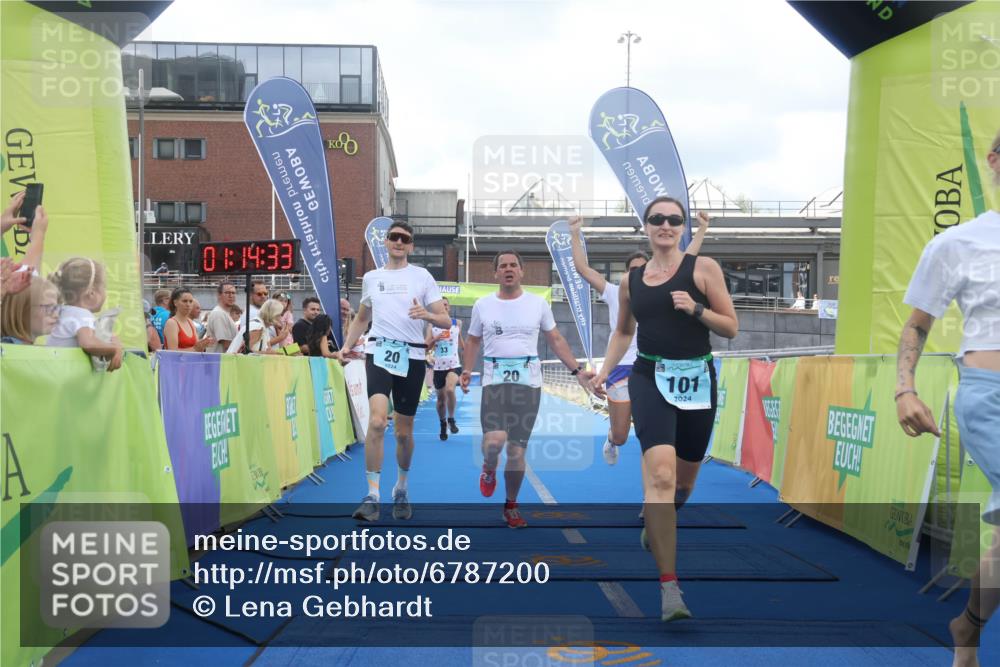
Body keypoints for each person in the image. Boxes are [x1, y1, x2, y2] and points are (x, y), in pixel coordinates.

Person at [591, 196, 738, 621]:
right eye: (658, 219)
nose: (666, 225)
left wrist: (695, 309)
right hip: (649, 378)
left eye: (675, 220)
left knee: (682, 487)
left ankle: (659, 523)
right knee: (659, 475)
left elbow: (731, 326)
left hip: (696, 380)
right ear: (646, 226)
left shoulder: (703, 269)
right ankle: (670, 589)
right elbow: (622, 332)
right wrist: (603, 371)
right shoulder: (631, 281)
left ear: (683, 227)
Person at [895, 129, 1000, 667]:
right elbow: (917, 325)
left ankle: (969, 626)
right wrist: (904, 388)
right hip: (990, 399)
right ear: (994, 162)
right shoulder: (958, 242)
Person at [461, 250, 593, 528]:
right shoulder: (483, 305)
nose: (508, 269)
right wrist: (466, 370)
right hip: (495, 383)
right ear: (495, 272)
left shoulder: (537, 304)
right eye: (503, 266)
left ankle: (511, 505)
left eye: (513, 265)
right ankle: (488, 467)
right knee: (494, 443)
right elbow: (472, 341)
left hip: (528, 385)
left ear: (522, 271)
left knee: (517, 452)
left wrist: (577, 371)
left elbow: (555, 338)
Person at [569, 212, 709, 465]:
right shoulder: (614, 292)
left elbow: (688, 260)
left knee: (658, 436)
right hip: (621, 367)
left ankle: (657, 485)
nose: (637, 273)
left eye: (641, 268)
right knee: (622, 435)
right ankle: (612, 439)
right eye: (632, 270)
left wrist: (701, 230)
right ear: (626, 275)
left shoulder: (663, 291)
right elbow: (582, 269)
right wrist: (574, 234)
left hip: (655, 367)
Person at [338, 220, 451, 522]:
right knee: (376, 422)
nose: (399, 242)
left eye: (405, 239)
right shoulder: (372, 278)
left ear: (411, 245)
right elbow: (362, 319)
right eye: (394, 237)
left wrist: (426, 314)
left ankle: (401, 487)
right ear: (386, 243)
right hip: (379, 352)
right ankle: (372, 495)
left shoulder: (422, 276)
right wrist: (346, 346)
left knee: (403, 433)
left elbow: (445, 321)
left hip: (412, 356)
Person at [47, 257, 125, 371]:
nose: (105, 293)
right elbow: (88, 343)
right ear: (92, 293)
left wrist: (113, 339)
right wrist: (114, 349)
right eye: (104, 287)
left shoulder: (65, 312)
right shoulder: (82, 315)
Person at [427, 296, 464, 441]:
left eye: (446, 305)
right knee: (441, 401)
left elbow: (462, 344)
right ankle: (442, 423)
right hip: (439, 367)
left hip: (454, 365)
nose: (445, 307)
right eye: (442, 305)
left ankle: (451, 419)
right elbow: (426, 346)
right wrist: (435, 339)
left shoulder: (457, 323)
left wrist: (467, 359)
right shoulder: (432, 326)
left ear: (449, 307)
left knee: (450, 389)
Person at [0, 277, 60, 344]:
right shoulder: (7, 348)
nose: (56, 315)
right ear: (21, 311)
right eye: (48, 307)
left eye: (55, 307)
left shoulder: (26, 347)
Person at [164, 287, 216, 352]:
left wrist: (203, 345)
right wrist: (195, 349)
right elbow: (172, 353)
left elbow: (196, 348)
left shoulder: (190, 322)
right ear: (175, 303)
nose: (188, 304)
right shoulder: (172, 323)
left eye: (190, 301)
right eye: (184, 301)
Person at [206, 281, 238, 352]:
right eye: (227, 293)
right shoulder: (218, 313)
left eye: (233, 293)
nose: (231, 295)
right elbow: (226, 343)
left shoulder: (224, 313)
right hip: (219, 361)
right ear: (219, 295)